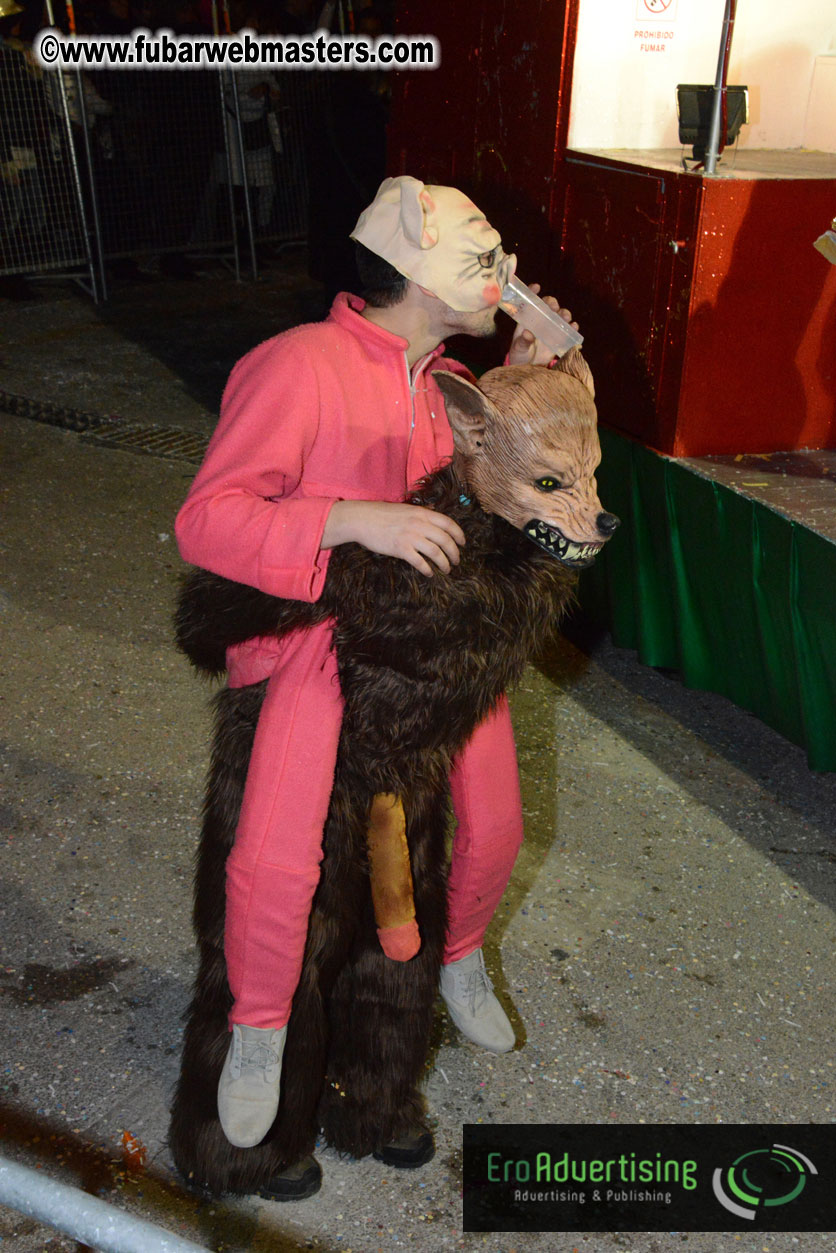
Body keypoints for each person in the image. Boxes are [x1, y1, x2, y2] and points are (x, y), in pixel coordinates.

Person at [175, 175, 576, 1157]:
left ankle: (451, 971)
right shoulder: (297, 365)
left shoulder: (451, 383)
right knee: (280, 857)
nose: (504, 275)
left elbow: (507, 496)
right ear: (414, 265)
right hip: (321, 643)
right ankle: (261, 1030)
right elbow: (207, 519)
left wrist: (535, 376)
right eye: (485, 260)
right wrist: (353, 519)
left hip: (430, 664)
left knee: (490, 827)